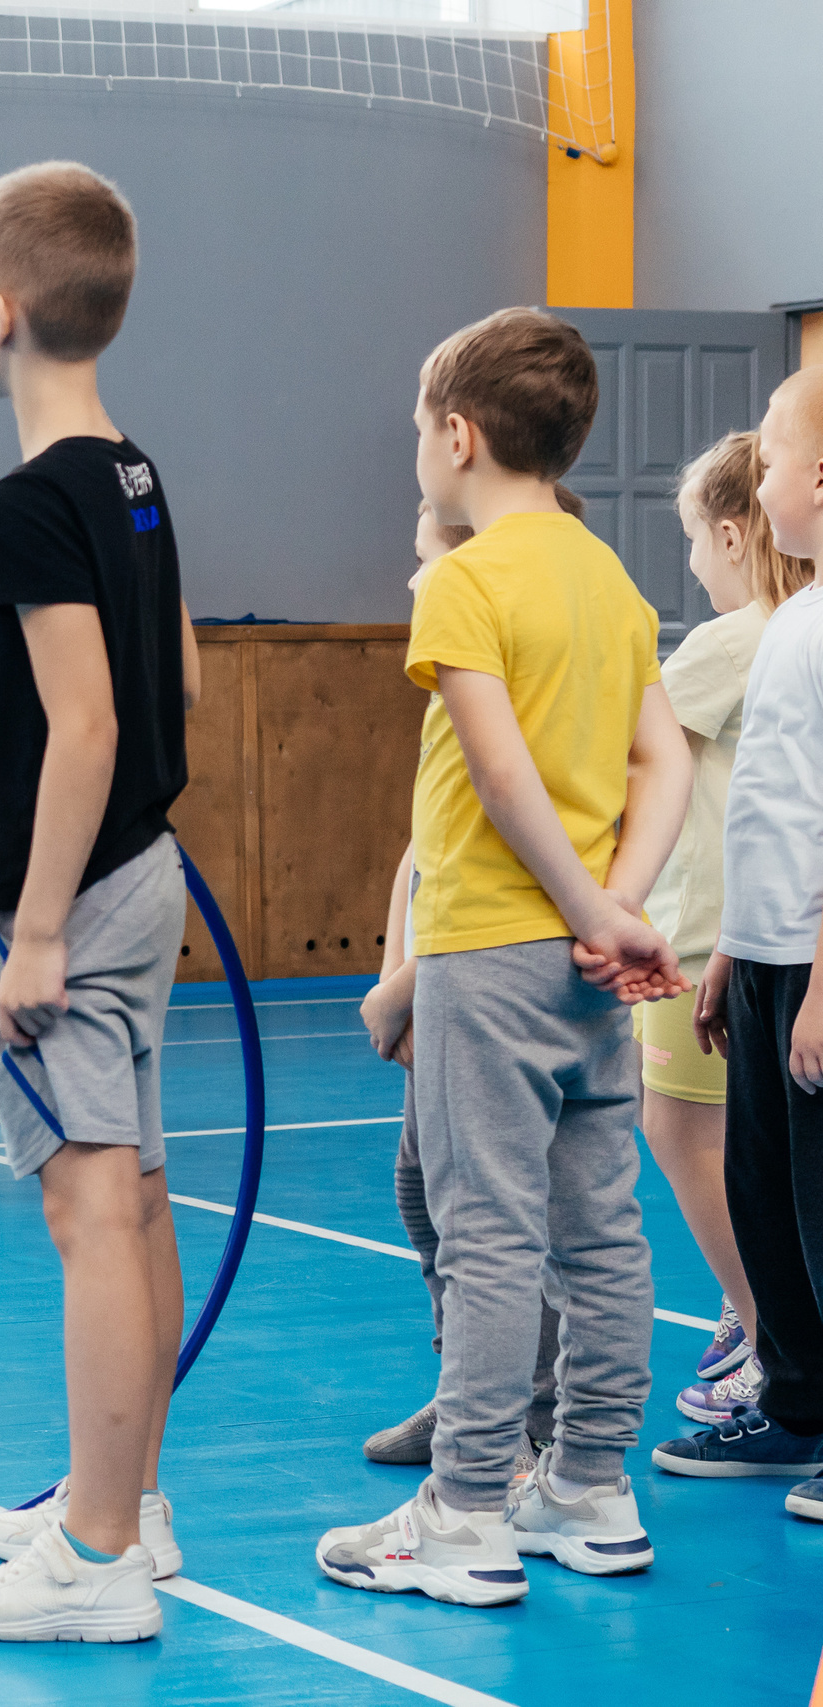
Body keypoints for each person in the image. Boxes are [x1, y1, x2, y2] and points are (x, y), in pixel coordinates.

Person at [315, 306, 691, 1606]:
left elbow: (502, 772)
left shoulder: (465, 579)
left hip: (495, 946)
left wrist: (592, 906)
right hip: (593, 964)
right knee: (601, 1227)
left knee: (487, 1234)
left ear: (459, 436)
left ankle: (467, 1508)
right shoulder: (610, 578)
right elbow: (666, 759)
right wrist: (624, 906)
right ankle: (591, 1482)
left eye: (421, 433)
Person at [0, 161, 201, 1645]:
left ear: (4, 311)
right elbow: (170, 680)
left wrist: (31, 928)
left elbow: (87, 726)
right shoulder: (129, 469)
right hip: (142, 870)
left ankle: (92, 1557)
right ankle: (131, 1504)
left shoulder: (25, 501)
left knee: (86, 1204)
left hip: (69, 898)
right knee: (134, 1191)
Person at [358, 487, 591, 1469]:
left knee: (493, 1211)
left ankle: (529, 1422)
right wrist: (391, 971)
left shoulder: (505, 661)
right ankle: (463, 1389)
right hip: (433, 971)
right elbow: (423, 848)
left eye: (424, 556)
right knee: (422, 1190)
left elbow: (499, 836)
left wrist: (408, 981)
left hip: (484, 966)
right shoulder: (448, 687)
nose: (414, 578)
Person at [658, 369, 823, 1524]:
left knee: (818, 1207)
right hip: (758, 957)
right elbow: (769, 803)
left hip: (813, 968)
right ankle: (800, 1407)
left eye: (766, 459)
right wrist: (731, 951)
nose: (756, 479)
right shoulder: (793, 622)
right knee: (764, 1192)